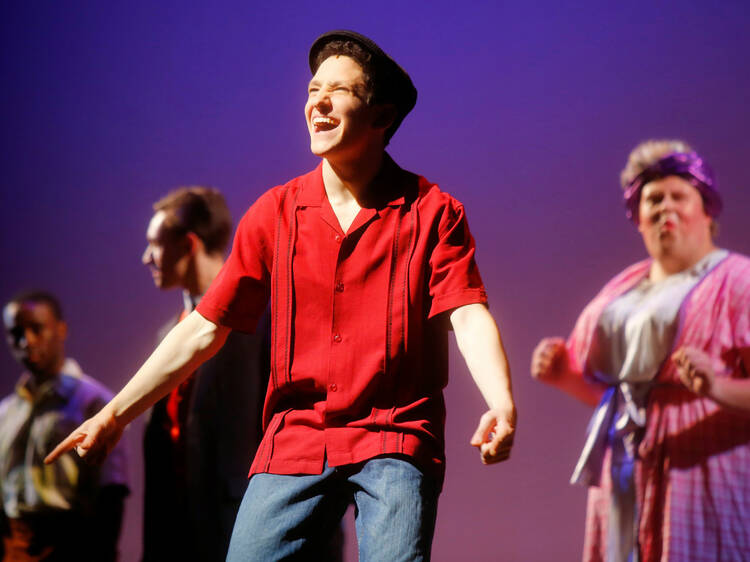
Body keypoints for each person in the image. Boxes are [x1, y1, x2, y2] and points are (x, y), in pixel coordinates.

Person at [46, 30, 517, 560]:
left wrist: (500, 401)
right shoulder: (276, 212)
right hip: (297, 437)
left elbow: (467, 312)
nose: (318, 101)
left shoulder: (432, 211)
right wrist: (113, 416)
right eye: (314, 89)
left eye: (339, 91)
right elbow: (204, 327)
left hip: (394, 435)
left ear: (381, 117)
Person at [531, 139, 750, 561]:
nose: (665, 206)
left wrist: (717, 387)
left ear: (706, 209)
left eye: (678, 195)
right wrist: (566, 376)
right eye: (652, 198)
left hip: (704, 469)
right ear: (638, 217)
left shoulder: (738, 281)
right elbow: (622, 399)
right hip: (626, 465)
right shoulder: (624, 288)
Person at [140, 187, 270, 561]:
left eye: (156, 244)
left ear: (189, 244)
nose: (147, 257)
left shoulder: (259, 320)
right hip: (176, 530)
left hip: (237, 526)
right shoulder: (169, 334)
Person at [1, 291, 129, 561]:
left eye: (37, 329)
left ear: (61, 329)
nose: (27, 341)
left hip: (70, 545)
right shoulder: (6, 411)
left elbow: (111, 494)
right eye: (16, 333)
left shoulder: (95, 404)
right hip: (12, 545)